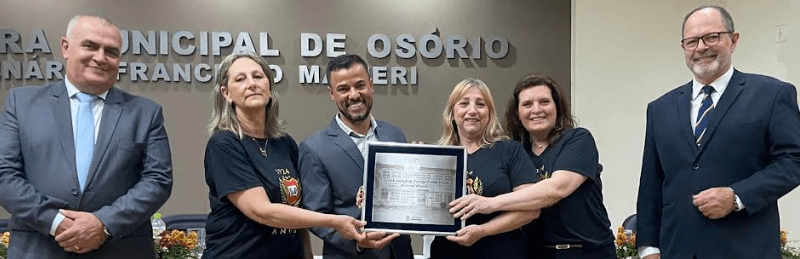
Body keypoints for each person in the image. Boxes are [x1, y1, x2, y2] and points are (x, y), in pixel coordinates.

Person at [0, 15, 172, 258]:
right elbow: (4, 175)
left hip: (120, 249)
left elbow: (158, 180)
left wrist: (103, 223)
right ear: (66, 47)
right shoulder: (21, 103)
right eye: (90, 46)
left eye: (111, 51)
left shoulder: (145, 113)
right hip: (38, 249)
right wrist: (56, 222)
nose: (100, 58)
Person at [636, 5, 800, 259]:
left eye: (712, 37)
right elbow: (651, 184)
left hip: (746, 250)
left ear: (733, 41)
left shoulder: (772, 95)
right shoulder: (660, 109)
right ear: (684, 48)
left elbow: (794, 161)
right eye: (692, 41)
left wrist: (737, 196)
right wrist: (649, 248)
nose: (701, 47)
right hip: (677, 251)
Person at [203, 52, 366, 259]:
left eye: (258, 76)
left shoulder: (284, 143)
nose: (252, 84)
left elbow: (298, 211)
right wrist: (333, 221)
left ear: (270, 89)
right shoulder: (224, 144)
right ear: (226, 93)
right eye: (240, 79)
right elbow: (262, 211)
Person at [449, 74, 616, 258]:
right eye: (527, 104)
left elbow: (557, 189)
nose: (536, 110)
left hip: (587, 252)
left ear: (557, 107)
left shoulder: (577, 140)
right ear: (518, 113)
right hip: (538, 252)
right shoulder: (517, 151)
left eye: (544, 102)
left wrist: (489, 204)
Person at [299, 54, 414, 259]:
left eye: (360, 85)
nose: (354, 95)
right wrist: (357, 242)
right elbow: (317, 216)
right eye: (343, 89)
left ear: (371, 85)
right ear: (332, 94)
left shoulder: (394, 135)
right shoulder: (313, 148)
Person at [429, 78, 539, 259]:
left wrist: (483, 230)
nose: (472, 110)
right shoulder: (437, 156)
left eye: (480, 104)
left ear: (489, 113)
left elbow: (531, 208)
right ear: (452, 112)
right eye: (464, 103)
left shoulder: (509, 150)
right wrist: (414, 165)